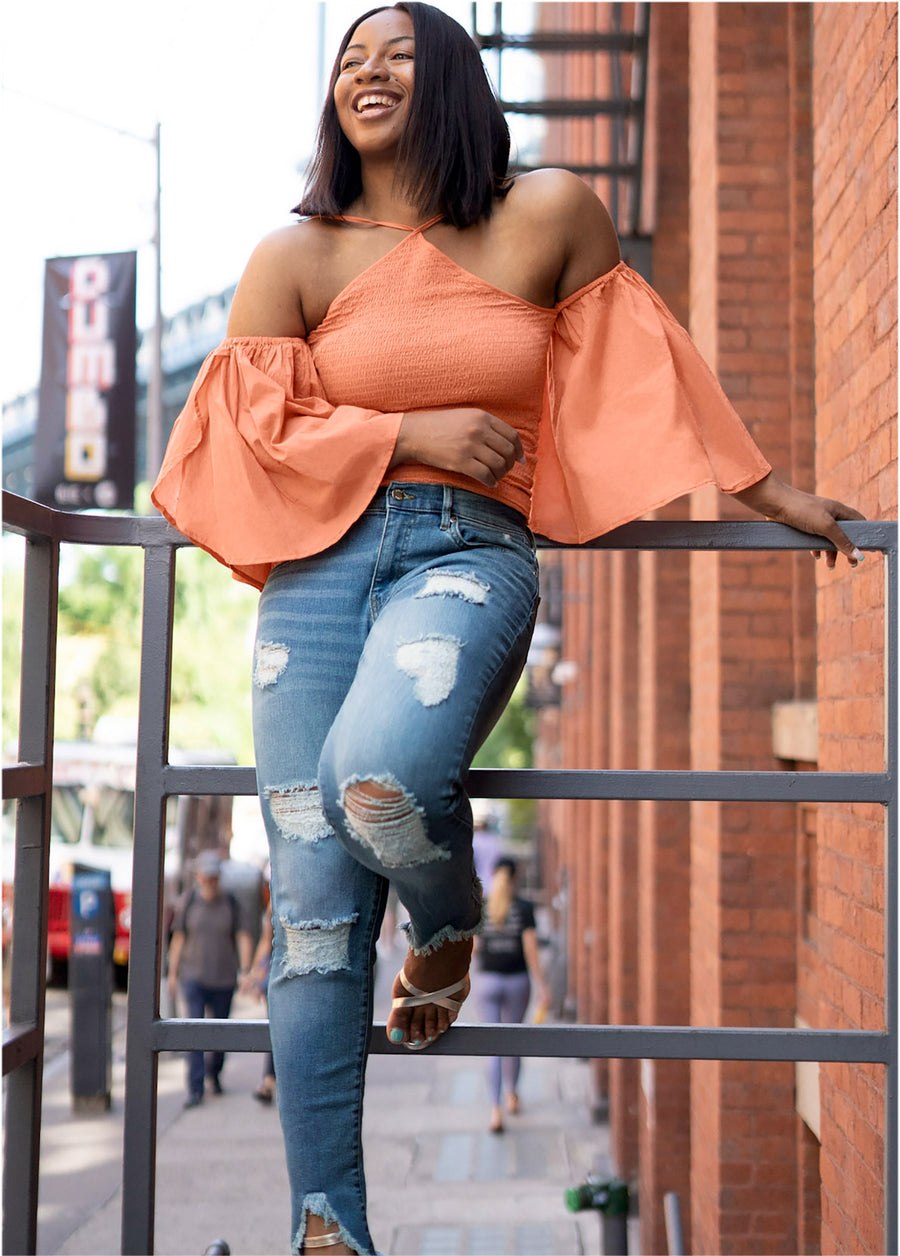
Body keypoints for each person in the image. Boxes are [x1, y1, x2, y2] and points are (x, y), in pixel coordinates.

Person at [151, 4, 864, 1249]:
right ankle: (330, 1226)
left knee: (373, 778)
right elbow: (244, 438)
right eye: (349, 61)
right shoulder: (296, 256)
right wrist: (405, 432)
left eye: (398, 57)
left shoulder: (550, 213)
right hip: (315, 582)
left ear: (458, 82)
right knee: (313, 920)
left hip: (465, 560)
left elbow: (656, 374)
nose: (367, 75)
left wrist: (775, 493)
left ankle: (446, 915)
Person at [167, 851, 255, 1108]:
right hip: (193, 976)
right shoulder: (189, 901)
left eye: (215, 878)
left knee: (219, 1032)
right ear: (198, 877)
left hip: (223, 977)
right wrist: (172, 974)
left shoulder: (231, 902)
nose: (211, 883)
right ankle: (195, 1087)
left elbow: (242, 935)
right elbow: (179, 938)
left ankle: (213, 1073)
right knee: (193, 1030)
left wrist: (246, 969)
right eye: (206, 878)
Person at [475, 857, 549, 1133]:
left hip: (487, 982)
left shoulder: (483, 907)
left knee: (492, 1045)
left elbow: (473, 948)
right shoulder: (525, 907)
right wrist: (543, 986)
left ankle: (495, 1110)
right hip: (517, 981)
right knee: (513, 1040)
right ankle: (511, 1095)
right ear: (516, 877)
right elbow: (531, 950)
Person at [241, 900, 277, 1103]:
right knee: (275, 1027)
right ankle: (268, 1080)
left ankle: (269, 1080)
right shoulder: (274, 906)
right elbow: (266, 940)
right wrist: (254, 975)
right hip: (277, 976)